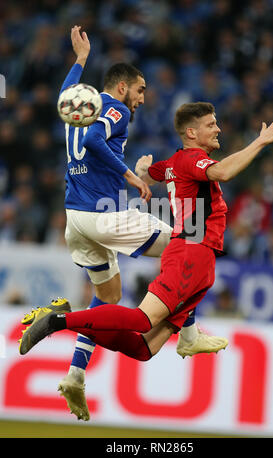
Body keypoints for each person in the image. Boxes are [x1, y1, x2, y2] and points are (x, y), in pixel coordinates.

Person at [19, 102, 273, 418]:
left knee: (143, 349)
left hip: (199, 258)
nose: (218, 129)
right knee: (141, 320)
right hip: (191, 251)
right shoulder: (192, 159)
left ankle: (185, 336)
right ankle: (57, 320)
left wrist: (146, 171)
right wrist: (260, 141)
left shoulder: (177, 161)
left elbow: (159, 172)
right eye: (211, 124)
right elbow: (224, 172)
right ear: (192, 132)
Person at [25, 26, 221, 421]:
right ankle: (188, 336)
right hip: (103, 214)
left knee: (108, 298)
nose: (142, 99)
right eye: (140, 90)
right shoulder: (113, 108)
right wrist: (131, 177)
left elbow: (67, 92)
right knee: (189, 242)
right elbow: (98, 141)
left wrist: (79, 61)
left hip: (74, 218)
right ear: (121, 86)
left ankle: (75, 375)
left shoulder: (77, 104)